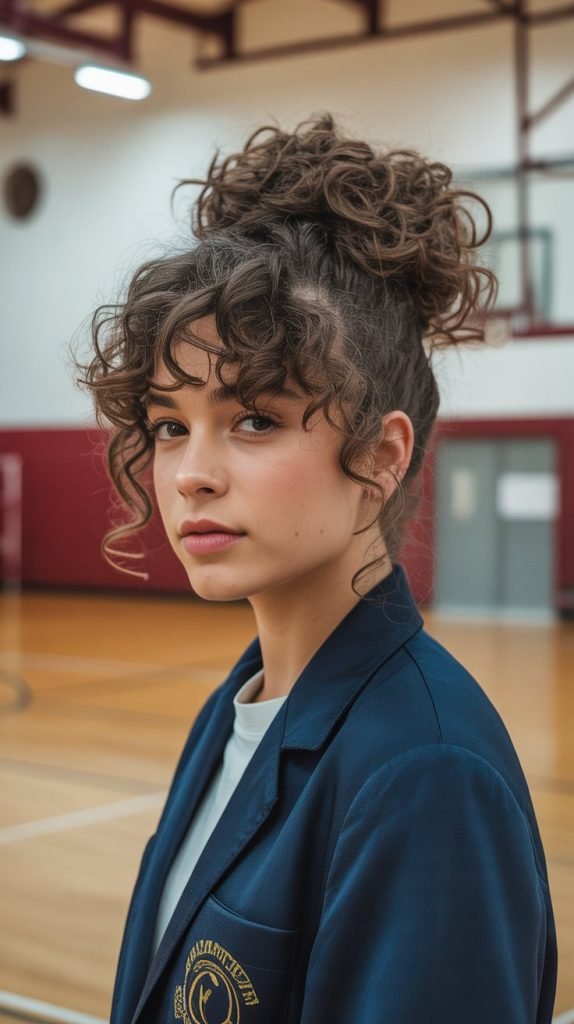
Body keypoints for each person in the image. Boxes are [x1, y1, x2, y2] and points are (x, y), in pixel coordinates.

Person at [76, 114, 557, 1023]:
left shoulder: (430, 776)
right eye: (171, 425)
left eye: (254, 418)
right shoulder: (240, 706)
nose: (190, 474)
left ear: (381, 456)